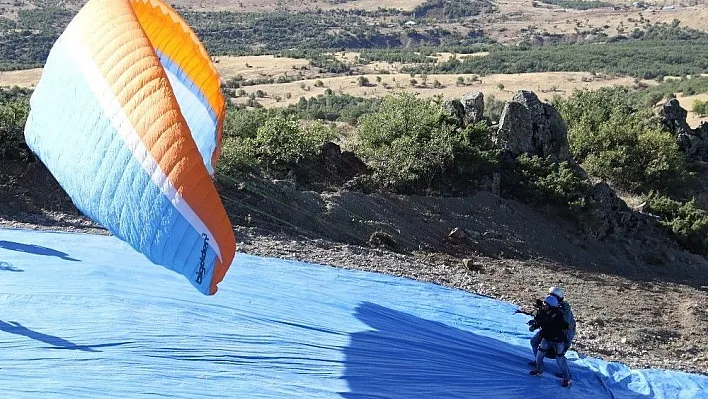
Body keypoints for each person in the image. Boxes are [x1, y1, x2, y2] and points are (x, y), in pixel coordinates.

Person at [529, 295, 572, 387]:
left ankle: (566, 379)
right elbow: (539, 322)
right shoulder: (542, 313)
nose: (544, 305)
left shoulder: (558, 315)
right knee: (539, 356)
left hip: (558, 340)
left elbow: (564, 326)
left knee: (560, 360)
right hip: (547, 338)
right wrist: (534, 326)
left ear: (551, 306)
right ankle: (539, 370)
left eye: (546, 304)